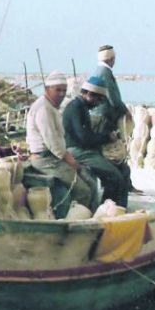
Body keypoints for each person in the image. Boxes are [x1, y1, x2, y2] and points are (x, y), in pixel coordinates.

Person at [26, 70, 96, 212]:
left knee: (91, 182)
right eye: (58, 90)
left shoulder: (50, 106)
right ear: (47, 89)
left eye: (64, 90)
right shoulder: (43, 109)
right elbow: (53, 142)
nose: (62, 94)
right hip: (46, 160)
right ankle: (77, 221)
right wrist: (72, 162)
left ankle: (91, 215)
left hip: (55, 157)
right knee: (84, 191)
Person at [64, 77, 130, 207]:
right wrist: (106, 138)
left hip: (85, 149)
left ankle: (116, 207)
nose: (98, 103)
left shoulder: (81, 107)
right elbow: (83, 138)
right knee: (115, 177)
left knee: (123, 170)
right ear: (88, 94)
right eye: (98, 99)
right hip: (77, 151)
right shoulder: (75, 108)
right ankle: (109, 210)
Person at [91, 45, 130, 133]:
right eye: (114, 59)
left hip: (98, 116)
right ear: (110, 59)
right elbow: (113, 98)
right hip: (104, 118)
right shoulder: (105, 73)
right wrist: (125, 111)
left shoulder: (98, 70)